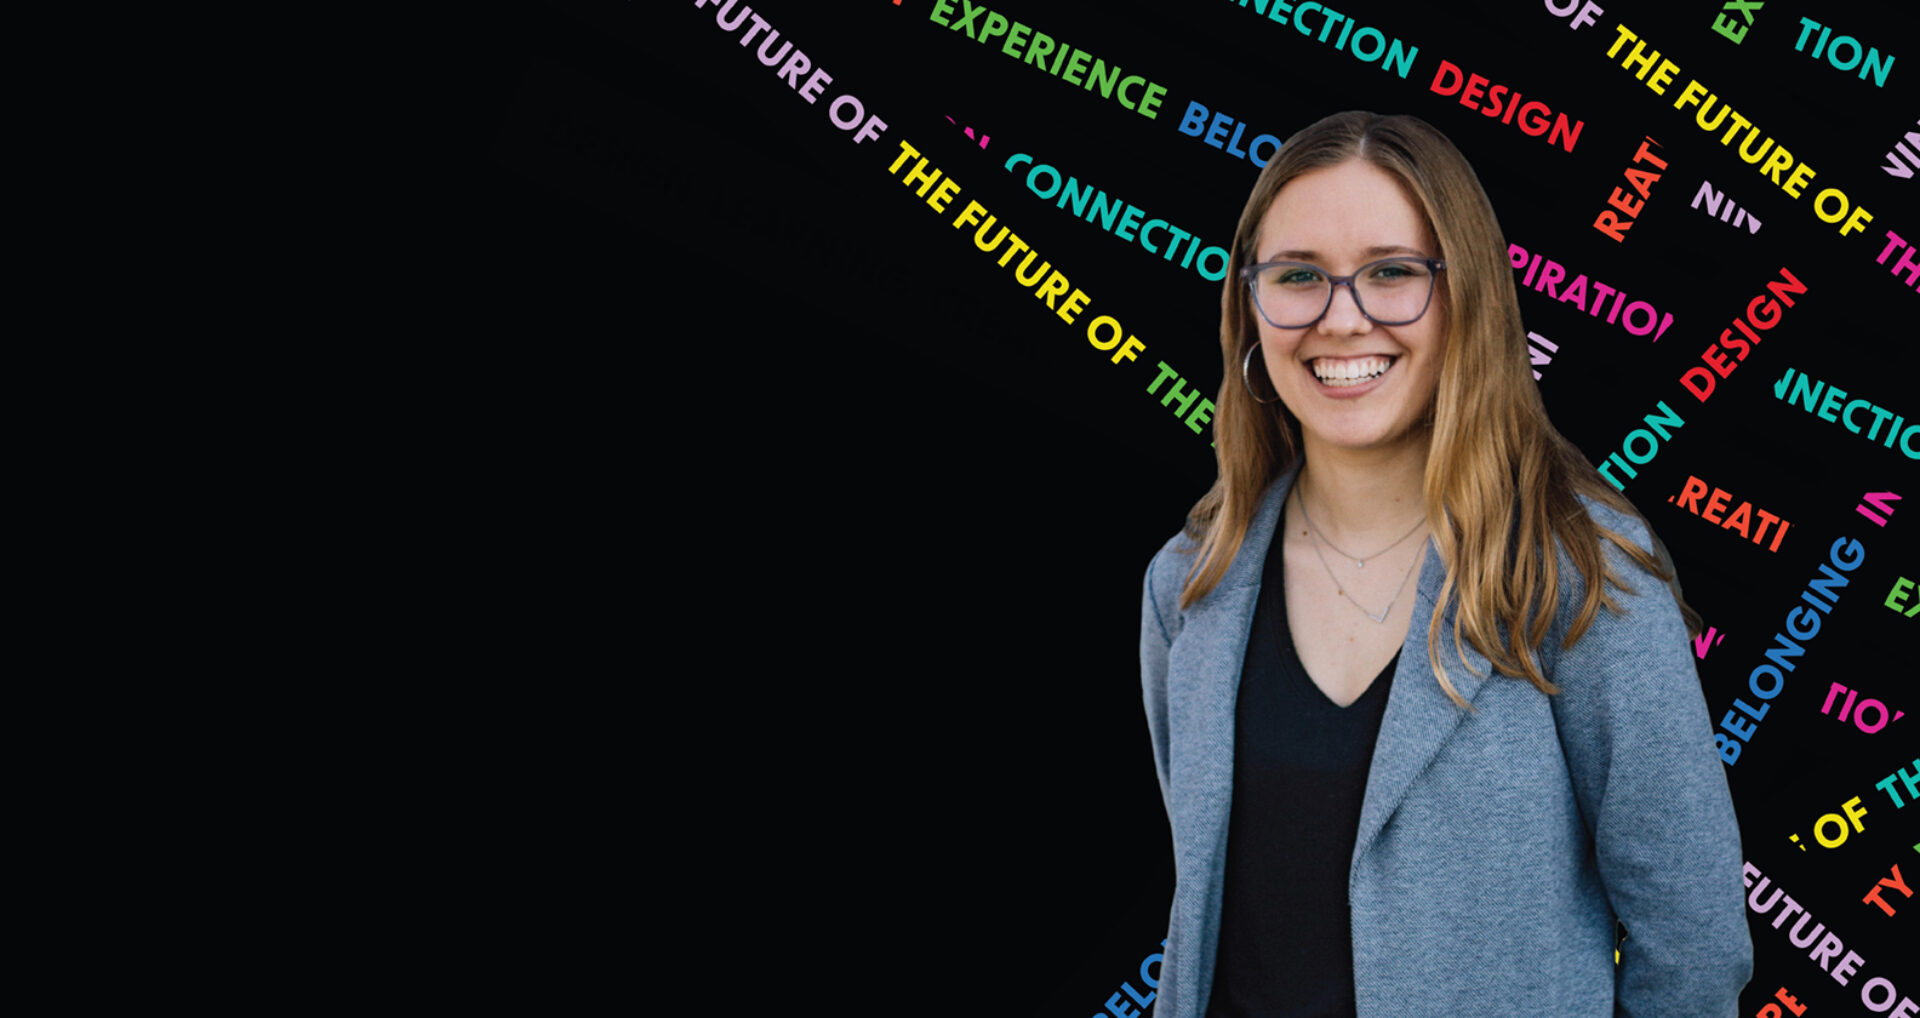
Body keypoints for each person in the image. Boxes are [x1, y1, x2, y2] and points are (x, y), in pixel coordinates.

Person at [1138, 111, 1752, 1018]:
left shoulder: (1581, 569)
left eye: (1392, 272)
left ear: (1467, 299)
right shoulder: (1190, 582)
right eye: (1298, 276)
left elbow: (1692, 943)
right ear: (1250, 309)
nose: (1341, 318)